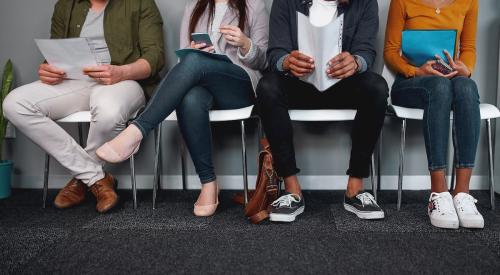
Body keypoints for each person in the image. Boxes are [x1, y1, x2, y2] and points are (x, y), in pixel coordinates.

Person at [96, 0, 269, 217]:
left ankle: (136, 131)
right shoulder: (194, 6)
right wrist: (192, 51)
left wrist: (245, 44)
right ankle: (209, 183)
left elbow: (263, 61)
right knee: (190, 97)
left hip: (239, 85)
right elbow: (183, 62)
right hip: (202, 84)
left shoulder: (254, 5)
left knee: (195, 62)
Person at [3, 0, 165, 213]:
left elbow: (156, 57)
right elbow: (53, 54)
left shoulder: (141, 2)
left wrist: (121, 72)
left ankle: (82, 179)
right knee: (14, 104)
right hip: (74, 81)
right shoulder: (65, 5)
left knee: (109, 109)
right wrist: (47, 68)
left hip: (125, 80)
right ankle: (95, 177)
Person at [256, 0, 388, 223]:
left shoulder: (364, 2)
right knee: (267, 86)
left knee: (377, 87)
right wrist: (286, 62)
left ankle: (354, 190)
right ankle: (292, 191)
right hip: (299, 85)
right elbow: (275, 53)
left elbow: (366, 51)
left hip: (343, 85)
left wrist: (355, 62)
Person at [385, 0, 482, 229]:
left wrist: (465, 69)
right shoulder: (401, 1)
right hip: (410, 82)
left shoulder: (469, 2)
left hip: (449, 78)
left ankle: (462, 195)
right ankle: (438, 194)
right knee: (439, 87)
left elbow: (468, 47)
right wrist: (415, 71)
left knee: (466, 86)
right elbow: (390, 52)